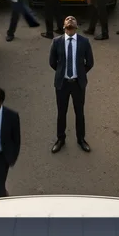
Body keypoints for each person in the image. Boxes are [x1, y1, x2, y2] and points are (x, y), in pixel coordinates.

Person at [49, 16, 94, 153]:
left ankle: (81, 139)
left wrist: (79, 73)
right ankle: (60, 139)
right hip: (62, 84)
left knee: (79, 113)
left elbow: (90, 62)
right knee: (61, 113)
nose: (70, 28)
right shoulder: (56, 42)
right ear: (64, 28)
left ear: (76, 28)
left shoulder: (84, 42)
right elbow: (52, 62)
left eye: (72, 26)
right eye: (67, 27)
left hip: (78, 84)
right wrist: (62, 72)